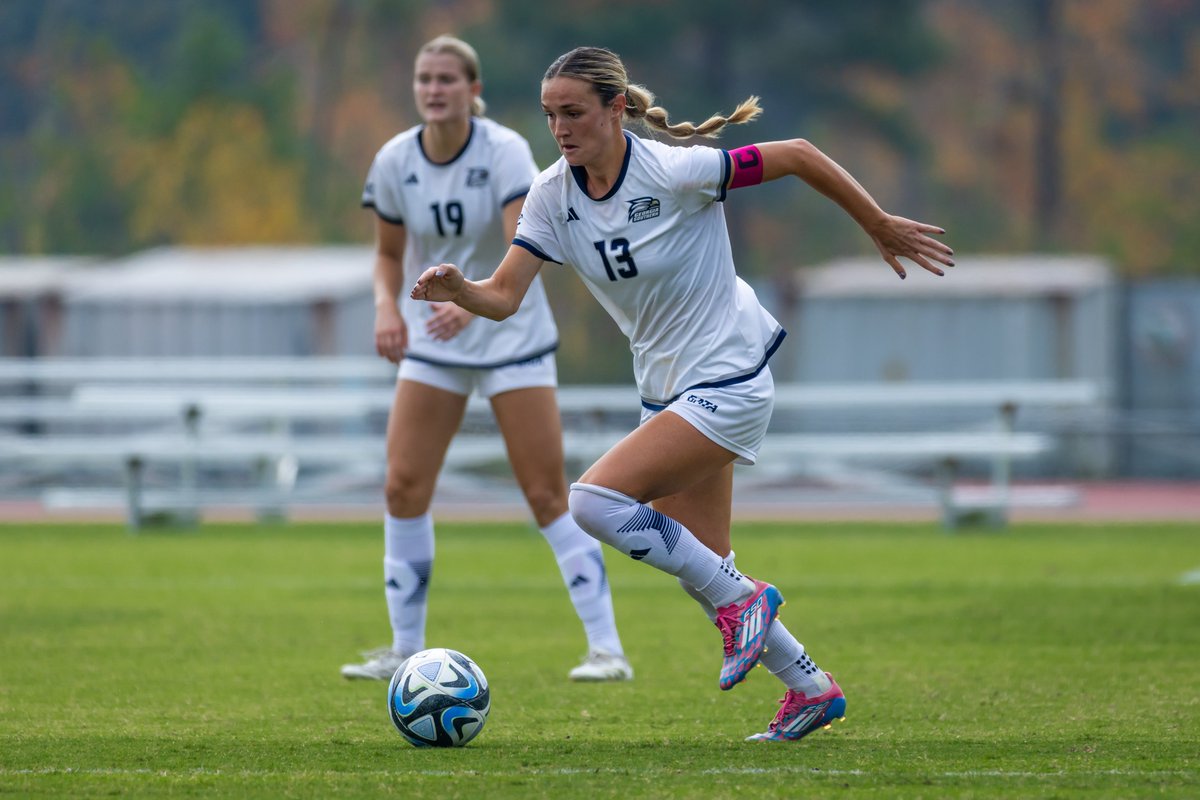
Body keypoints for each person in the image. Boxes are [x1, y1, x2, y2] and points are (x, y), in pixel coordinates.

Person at [411, 46, 954, 741]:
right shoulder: (552, 195)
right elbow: (505, 296)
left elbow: (797, 154)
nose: (560, 129)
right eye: (550, 115)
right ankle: (810, 688)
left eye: (573, 112)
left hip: (729, 375)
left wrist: (876, 222)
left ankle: (745, 603)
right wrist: (461, 289)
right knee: (705, 568)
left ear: (616, 108)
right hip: (667, 391)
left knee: (593, 503)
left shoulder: (674, 170)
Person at [342, 36, 632, 683]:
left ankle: (607, 650)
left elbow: (519, 244)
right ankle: (403, 648)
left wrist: (470, 304)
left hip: (509, 336)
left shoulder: (503, 151)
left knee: (546, 494)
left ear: (473, 90)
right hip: (436, 341)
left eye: (447, 79)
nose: (434, 89)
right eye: (425, 79)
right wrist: (387, 308)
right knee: (402, 486)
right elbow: (387, 256)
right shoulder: (395, 159)